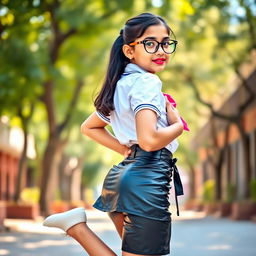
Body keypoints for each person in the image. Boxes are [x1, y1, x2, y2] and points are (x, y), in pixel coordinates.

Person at [43, 12, 187, 256]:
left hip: (122, 180)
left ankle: (76, 226)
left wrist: (124, 149)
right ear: (129, 51)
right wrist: (178, 126)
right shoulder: (147, 83)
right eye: (150, 43)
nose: (161, 50)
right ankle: (76, 227)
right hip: (146, 181)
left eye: (166, 42)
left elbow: (89, 127)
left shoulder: (120, 84)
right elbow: (149, 141)